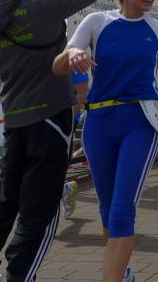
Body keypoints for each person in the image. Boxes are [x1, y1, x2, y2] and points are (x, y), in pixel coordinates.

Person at [54, 0, 158, 282]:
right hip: (98, 122)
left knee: (122, 210)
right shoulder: (96, 21)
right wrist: (72, 54)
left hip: (140, 121)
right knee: (107, 208)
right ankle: (123, 272)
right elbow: (58, 66)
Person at [0, 0, 101, 282]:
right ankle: (21, 275)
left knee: (5, 200)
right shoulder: (39, 6)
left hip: (14, 117)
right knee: (40, 208)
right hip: (50, 115)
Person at [61, 71, 90, 220]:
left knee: (50, 167)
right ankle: (65, 189)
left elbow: (81, 95)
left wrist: (63, 119)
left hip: (64, 121)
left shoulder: (73, 61)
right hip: (35, 120)